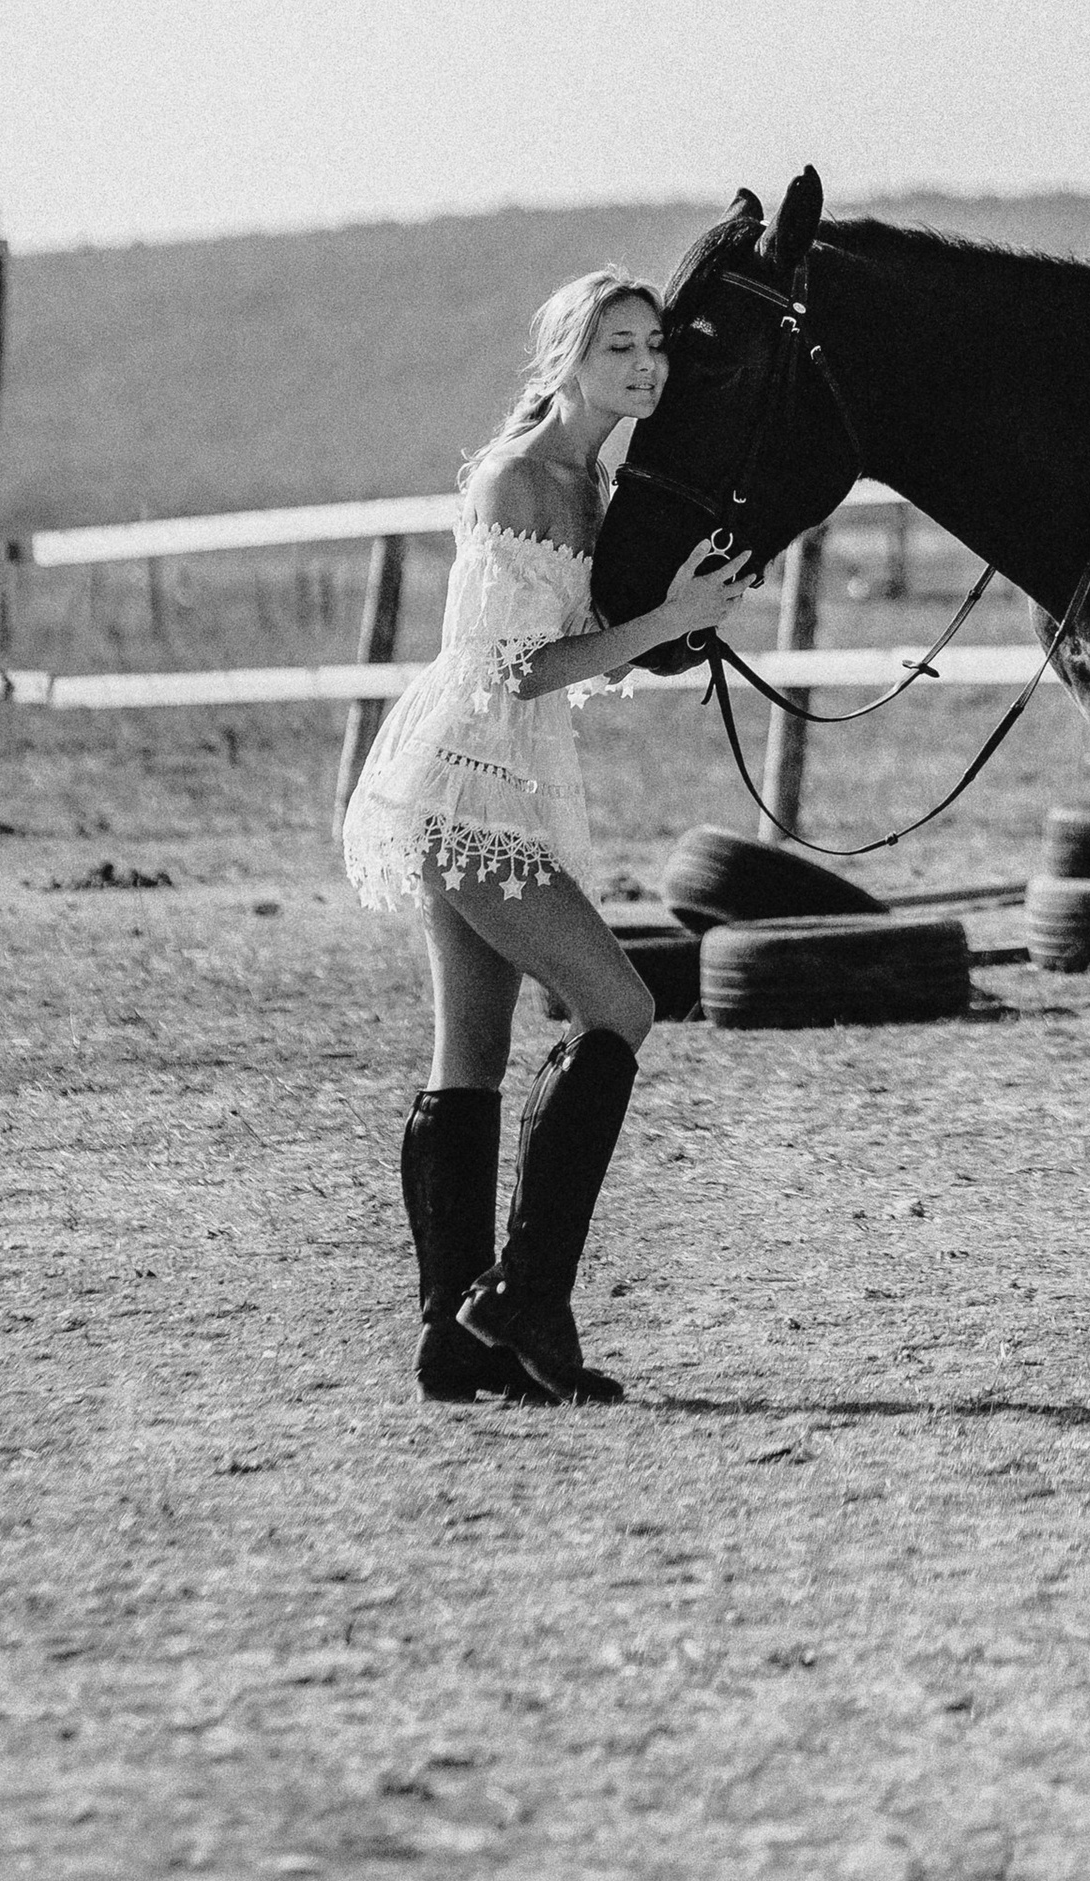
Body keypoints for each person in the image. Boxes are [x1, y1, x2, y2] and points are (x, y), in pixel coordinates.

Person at [342, 267, 736, 1403]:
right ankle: (525, 1298)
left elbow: (581, 654)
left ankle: (454, 1341)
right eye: (620, 346)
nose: (645, 365)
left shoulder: (594, 486)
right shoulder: (520, 478)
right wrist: (662, 621)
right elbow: (513, 668)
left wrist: (681, 614)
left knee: (466, 1051)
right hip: (465, 783)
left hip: (498, 781)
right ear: (568, 357)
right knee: (620, 1005)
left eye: (654, 346)